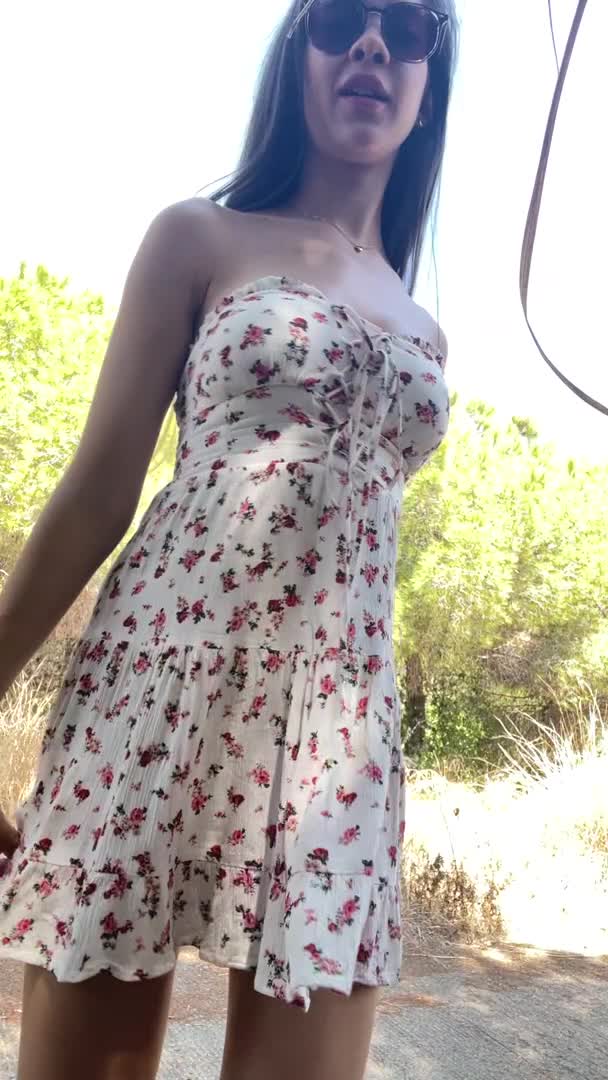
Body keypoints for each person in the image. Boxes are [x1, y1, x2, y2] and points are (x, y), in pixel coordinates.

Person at [0, 1, 458, 1076]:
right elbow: (97, 490)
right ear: (296, 54)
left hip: (341, 734)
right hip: (159, 688)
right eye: (340, 17)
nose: (372, 43)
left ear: (430, 82)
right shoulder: (199, 236)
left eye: (408, 25)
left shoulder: (425, 327)